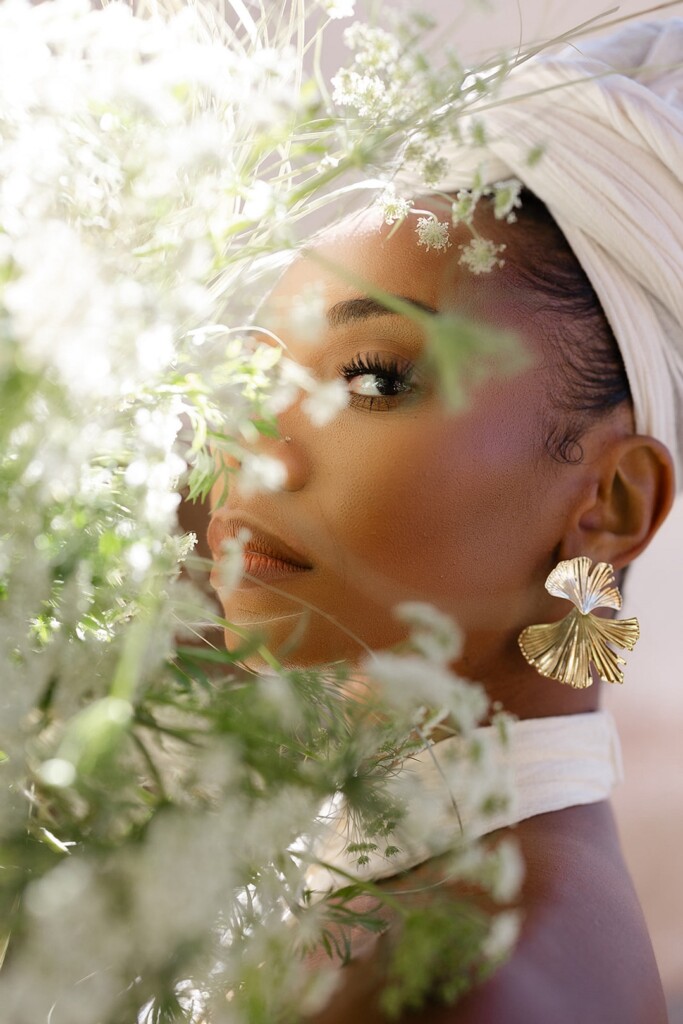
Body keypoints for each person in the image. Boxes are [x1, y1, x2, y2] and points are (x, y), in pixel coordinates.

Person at [207, 17, 682, 1023]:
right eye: (256, 376)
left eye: (370, 377)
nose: (259, 445)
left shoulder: (468, 989)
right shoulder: (432, 900)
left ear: (610, 504)